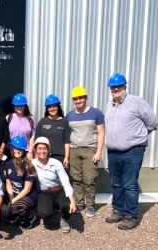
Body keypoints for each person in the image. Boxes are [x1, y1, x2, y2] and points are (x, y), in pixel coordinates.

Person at [104, 73, 158, 230]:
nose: (116, 89)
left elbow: (152, 122)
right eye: (113, 87)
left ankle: (131, 216)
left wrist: (138, 138)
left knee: (129, 184)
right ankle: (118, 211)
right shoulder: (110, 104)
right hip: (113, 152)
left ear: (125, 86)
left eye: (119, 86)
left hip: (133, 151)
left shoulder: (136, 102)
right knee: (116, 183)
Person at [66, 86, 105, 218]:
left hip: (90, 150)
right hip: (74, 150)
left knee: (89, 179)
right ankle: (80, 202)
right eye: (76, 99)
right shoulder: (69, 115)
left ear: (85, 98)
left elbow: (101, 133)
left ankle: (90, 205)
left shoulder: (96, 113)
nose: (78, 101)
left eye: (81, 98)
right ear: (73, 100)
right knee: (76, 178)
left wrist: (99, 151)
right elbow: (68, 133)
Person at [32, 137, 76, 233]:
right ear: (35, 150)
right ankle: (51, 212)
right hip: (45, 192)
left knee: (67, 206)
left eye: (45, 149)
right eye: (39, 148)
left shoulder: (56, 163)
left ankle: (65, 219)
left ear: (48, 150)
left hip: (59, 190)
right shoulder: (32, 164)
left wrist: (72, 201)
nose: (42, 151)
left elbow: (65, 181)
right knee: (45, 215)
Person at [5, 136, 38, 229]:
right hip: (15, 193)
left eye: (20, 149)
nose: (17, 151)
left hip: (28, 195)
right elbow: (8, 183)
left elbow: (27, 190)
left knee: (17, 207)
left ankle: (29, 217)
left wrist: (12, 202)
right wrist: (11, 197)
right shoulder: (8, 164)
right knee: (2, 204)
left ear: (24, 150)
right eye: (15, 148)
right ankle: (15, 214)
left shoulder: (28, 166)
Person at [35, 94, 71, 173]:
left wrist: (67, 157)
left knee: (60, 181)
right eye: (50, 107)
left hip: (60, 156)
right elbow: (37, 141)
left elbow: (67, 141)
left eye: (54, 106)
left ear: (58, 107)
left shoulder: (64, 122)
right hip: (44, 156)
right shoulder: (42, 122)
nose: (52, 109)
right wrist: (36, 156)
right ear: (47, 109)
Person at [6, 93, 37, 161]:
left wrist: (30, 152)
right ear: (14, 106)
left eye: (21, 105)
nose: (19, 107)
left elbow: (32, 137)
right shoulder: (9, 117)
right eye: (17, 105)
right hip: (11, 152)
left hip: (25, 152)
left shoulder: (31, 119)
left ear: (25, 106)